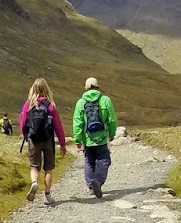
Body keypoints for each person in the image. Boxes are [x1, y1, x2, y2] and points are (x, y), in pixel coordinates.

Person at [18, 78, 67, 206]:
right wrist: (62, 143)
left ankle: (34, 182)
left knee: (34, 166)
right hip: (48, 139)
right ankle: (47, 195)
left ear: (33, 89)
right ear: (46, 89)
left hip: (33, 139)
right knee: (48, 168)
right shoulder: (50, 105)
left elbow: (22, 123)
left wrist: (26, 135)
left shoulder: (28, 104)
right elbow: (58, 126)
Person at [72, 76, 118, 199]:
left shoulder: (80, 103)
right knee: (104, 160)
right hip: (102, 138)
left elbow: (77, 123)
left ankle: (92, 187)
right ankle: (98, 181)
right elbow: (112, 119)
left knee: (89, 161)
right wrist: (112, 133)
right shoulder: (105, 100)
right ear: (98, 86)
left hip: (87, 139)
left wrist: (77, 140)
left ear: (86, 87)